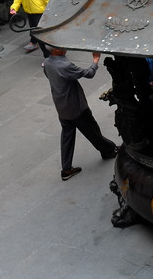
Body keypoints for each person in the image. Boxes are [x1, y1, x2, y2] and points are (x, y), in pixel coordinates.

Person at [43, 47, 119, 180]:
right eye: (60, 47)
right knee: (92, 130)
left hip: (62, 107)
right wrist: (95, 60)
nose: (64, 47)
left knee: (67, 136)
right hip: (76, 107)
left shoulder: (47, 63)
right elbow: (89, 74)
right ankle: (109, 149)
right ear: (55, 51)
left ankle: (66, 169)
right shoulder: (65, 65)